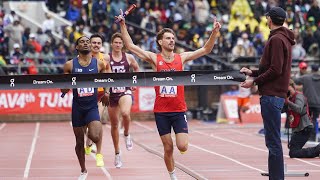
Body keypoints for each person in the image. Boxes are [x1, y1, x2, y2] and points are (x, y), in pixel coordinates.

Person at [116, 11, 221, 179]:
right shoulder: (154, 59)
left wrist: (214, 32)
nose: (172, 40)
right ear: (160, 41)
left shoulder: (182, 57)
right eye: (168, 38)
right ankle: (172, 175)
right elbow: (130, 47)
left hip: (179, 110)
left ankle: (180, 150)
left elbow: (206, 49)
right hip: (162, 111)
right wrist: (122, 25)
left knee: (183, 146)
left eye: (173, 38)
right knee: (168, 147)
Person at [240, 7, 295, 180]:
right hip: (275, 95)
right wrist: (253, 72)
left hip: (272, 96)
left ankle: (276, 178)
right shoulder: (283, 38)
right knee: (272, 141)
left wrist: (254, 81)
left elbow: (275, 69)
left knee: (273, 142)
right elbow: (271, 67)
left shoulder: (277, 39)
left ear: (270, 19)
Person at [60, 36, 108, 180]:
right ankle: (83, 170)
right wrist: (65, 88)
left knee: (95, 135)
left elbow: (106, 79)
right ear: (77, 47)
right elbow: (64, 88)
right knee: (79, 142)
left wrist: (106, 92)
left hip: (92, 106)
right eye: (82, 42)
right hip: (78, 107)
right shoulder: (70, 65)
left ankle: (95, 148)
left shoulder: (99, 64)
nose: (86, 43)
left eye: (88, 41)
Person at [105, 32, 140, 168]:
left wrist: (134, 82)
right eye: (116, 42)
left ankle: (126, 134)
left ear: (123, 45)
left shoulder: (129, 57)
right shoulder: (107, 58)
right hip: (112, 93)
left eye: (120, 43)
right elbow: (101, 72)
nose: (118, 45)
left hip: (125, 90)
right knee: (114, 125)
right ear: (112, 44)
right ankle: (117, 154)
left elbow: (137, 68)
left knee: (125, 113)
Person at [84, 33, 111, 156]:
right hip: (86, 94)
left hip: (100, 94)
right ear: (89, 44)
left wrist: (107, 91)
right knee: (86, 124)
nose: (96, 45)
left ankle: (97, 150)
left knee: (97, 120)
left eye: (98, 43)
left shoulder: (105, 58)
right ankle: (88, 142)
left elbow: (110, 77)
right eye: (94, 43)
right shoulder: (83, 58)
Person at [286, 80, 320, 158]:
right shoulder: (289, 98)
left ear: (292, 86)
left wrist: (287, 102)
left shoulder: (299, 96)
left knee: (293, 153)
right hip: (298, 129)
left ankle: (318, 149)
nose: (287, 91)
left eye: (288, 89)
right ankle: (317, 150)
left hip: (304, 128)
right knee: (293, 152)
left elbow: (299, 109)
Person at [294, 64, 320, 141]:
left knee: (306, 119)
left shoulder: (306, 77)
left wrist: (295, 74)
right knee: (315, 119)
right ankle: (313, 136)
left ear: (311, 69)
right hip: (318, 103)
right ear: (318, 69)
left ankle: (306, 136)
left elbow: (295, 80)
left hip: (308, 102)